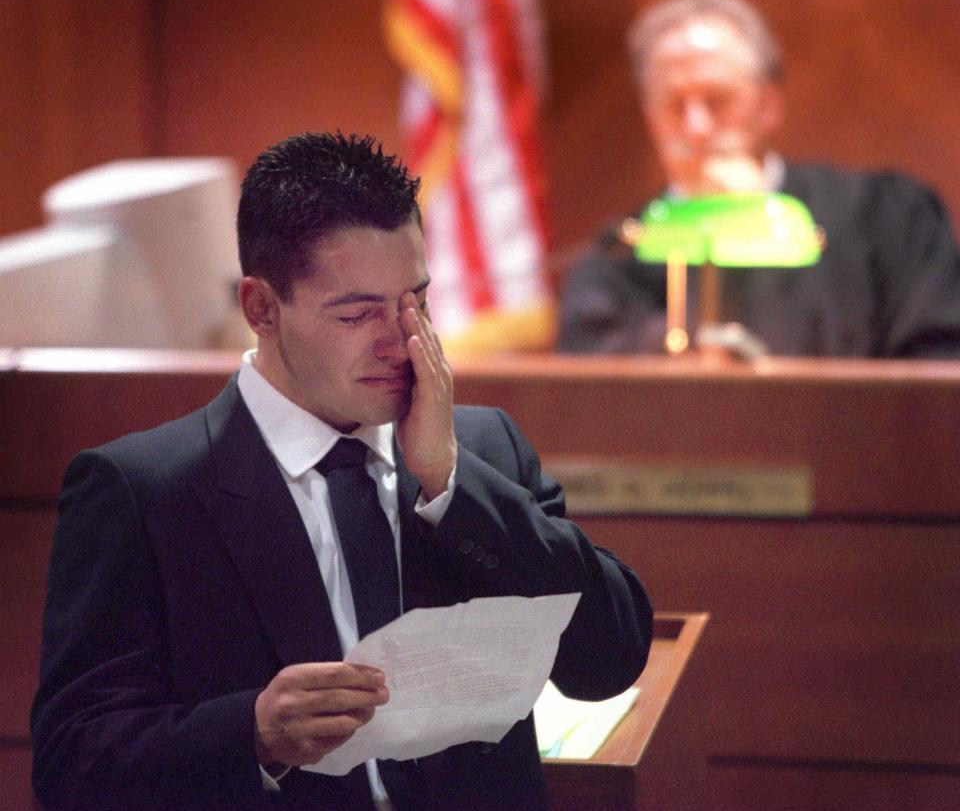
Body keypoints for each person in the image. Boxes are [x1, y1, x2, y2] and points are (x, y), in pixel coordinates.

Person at [30, 132, 653, 811]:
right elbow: (72, 764)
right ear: (262, 308)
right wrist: (253, 732)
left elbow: (610, 660)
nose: (402, 341)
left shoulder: (482, 449)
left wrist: (451, 482)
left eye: (415, 300)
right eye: (358, 313)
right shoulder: (143, 490)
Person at [558, 0, 960, 358]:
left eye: (717, 100)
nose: (696, 127)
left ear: (767, 105)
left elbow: (934, 375)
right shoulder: (617, 255)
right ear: (650, 120)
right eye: (675, 105)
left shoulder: (888, 218)